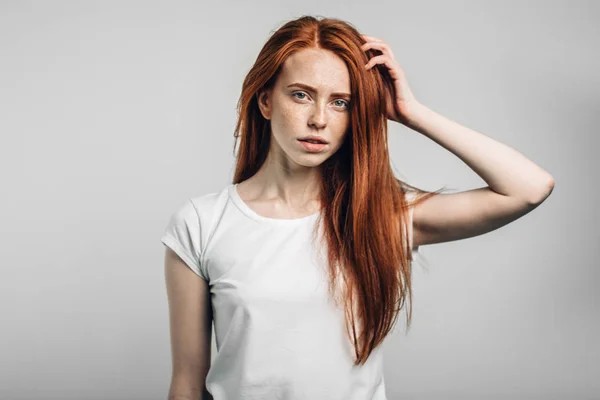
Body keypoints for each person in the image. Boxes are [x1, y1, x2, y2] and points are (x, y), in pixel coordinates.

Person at [161, 15, 554, 400]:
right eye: (301, 95)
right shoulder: (202, 223)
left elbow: (529, 188)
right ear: (265, 101)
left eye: (341, 103)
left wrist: (409, 112)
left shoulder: (382, 215)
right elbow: (187, 386)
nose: (318, 119)